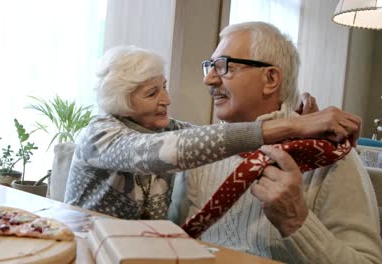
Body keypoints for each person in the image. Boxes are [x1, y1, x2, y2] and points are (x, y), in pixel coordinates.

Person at [63, 45, 361, 221]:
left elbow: (214, 140)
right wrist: (293, 126)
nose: (166, 100)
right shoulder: (98, 133)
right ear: (122, 101)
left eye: (164, 87)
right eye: (152, 93)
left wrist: (299, 122)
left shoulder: (168, 129)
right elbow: (163, 153)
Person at [176, 22, 381, 263]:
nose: (209, 80)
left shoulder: (330, 157)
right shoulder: (204, 151)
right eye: (210, 66)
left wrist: (297, 221)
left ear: (271, 78)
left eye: (223, 66)